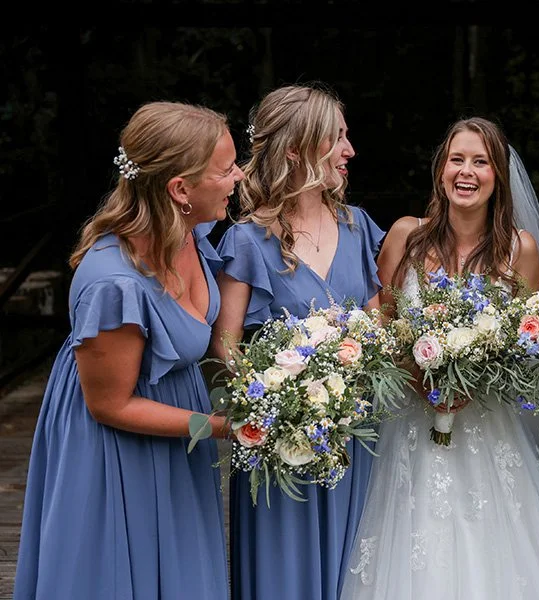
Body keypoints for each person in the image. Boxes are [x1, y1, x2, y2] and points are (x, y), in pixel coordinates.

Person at [339, 117, 539, 600]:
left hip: (487, 424)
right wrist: (420, 379)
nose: (466, 172)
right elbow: (381, 328)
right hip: (411, 426)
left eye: (480, 162)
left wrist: (476, 380)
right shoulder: (406, 236)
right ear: (441, 170)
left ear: (497, 176)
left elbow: (526, 345)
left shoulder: (519, 250)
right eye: (456, 159)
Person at [13, 101, 243, 599]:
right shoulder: (113, 285)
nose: (239, 176)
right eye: (226, 169)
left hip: (178, 435)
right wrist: (218, 427)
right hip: (117, 451)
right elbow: (110, 405)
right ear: (179, 190)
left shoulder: (193, 233)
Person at [212, 83, 384, 600]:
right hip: (283, 439)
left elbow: (378, 326)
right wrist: (281, 401)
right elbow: (226, 344)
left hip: (354, 434)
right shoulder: (247, 239)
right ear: (296, 149)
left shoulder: (358, 227)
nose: (350, 150)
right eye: (337, 137)